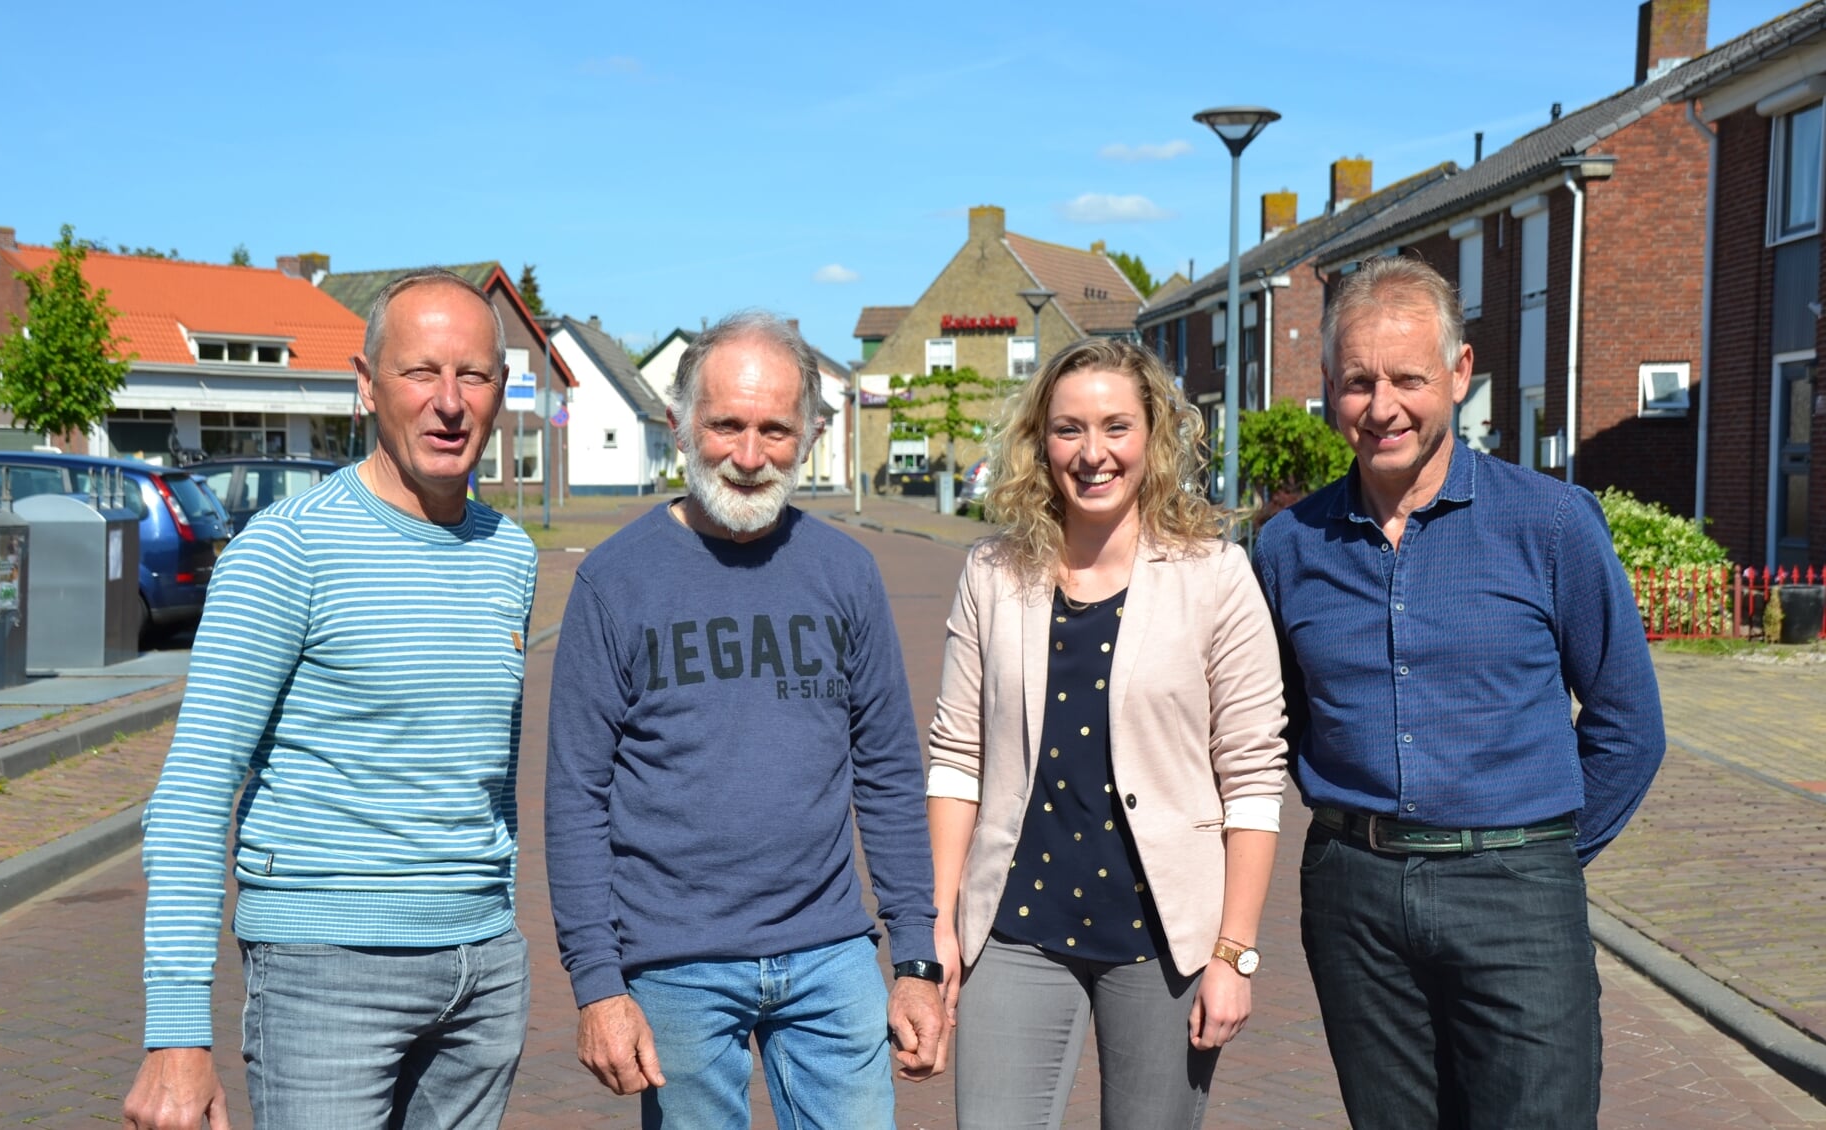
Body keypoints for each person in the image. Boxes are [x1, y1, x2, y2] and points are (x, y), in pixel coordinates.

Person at [1252, 255, 1665, 1128]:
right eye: (1359, 381)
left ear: (1461, 374)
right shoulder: (1289, 547)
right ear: (1329, 384)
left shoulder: (1549, 523)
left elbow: (1629, 725)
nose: (1383, 406)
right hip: (1353, 899)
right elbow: (1275, 722)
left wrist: (1539, 854)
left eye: (1409, 378)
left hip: (1516, 892)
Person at [121, 268, 537, 1130]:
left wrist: (501, 928)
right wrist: (175, 1036)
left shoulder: (510, 553)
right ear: (366, 385)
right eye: (421, 371)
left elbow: (489, 771)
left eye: (475, 375)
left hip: (484, 971)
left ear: (501, 392)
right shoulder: (286, 553)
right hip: (325, 971)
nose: (449, 402)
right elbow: (194, 793)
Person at [546, 309, 946, 1128]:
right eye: (727, 425)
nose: (751, 455)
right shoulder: (615, 582)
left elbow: (890, 775)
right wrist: (597, 983)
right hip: (674, 963)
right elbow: (575, 797)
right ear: (680, 425)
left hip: (833, 954)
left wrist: (917, 959)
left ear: (808, 434)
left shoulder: (847, 572)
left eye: (775, 429)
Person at [927, 338, 1288, 1129]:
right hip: (1017, 927)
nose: (1093, 454)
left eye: (1116, 427)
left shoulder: (1216, 575)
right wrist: (941, 922)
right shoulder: (994, 573)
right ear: (1039, 442)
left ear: (1154, 436)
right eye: (1069, 430)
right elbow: (957, 756)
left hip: (1163, 941)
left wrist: (1233, 953)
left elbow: (1254, 776)